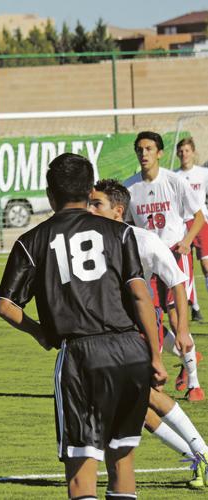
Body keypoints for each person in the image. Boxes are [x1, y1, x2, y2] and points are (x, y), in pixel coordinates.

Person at [0, 152, 166, 500]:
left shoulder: (31, 242)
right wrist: (155, 356)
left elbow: (6, 305)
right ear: (90, 191)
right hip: (130, 351)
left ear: (49, 193)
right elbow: (139, 295)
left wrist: (39, 331)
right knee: (122, 459)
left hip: (81, 356)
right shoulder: (120, 234)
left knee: (81, 468)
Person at [89, 179, 208, 489]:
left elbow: (178, 281)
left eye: (96, 204)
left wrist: (181, 329)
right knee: (133, 408)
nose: (89, 209)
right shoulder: (89, 242)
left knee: (147, 395)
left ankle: (204, 453)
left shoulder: (144, 241)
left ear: (117, 211)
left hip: (139, 327)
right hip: (109, 332)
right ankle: (198, 457)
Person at [124, 131, 205, 402]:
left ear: (159, 153)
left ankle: (194, 382)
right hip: (147, 261)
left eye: (148, 149)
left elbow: (198, 217)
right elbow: (126, 225)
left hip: (172, 254)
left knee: (176, 320)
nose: (143, 154)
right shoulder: (130, 187)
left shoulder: (174, 181)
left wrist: (187, 241)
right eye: (139, 149)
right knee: (150, 320)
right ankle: (183, 361)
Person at [174, 137, 208, 322]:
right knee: (186, 270)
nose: (184, 154)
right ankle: (195, 308)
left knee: (205, 265)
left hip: (201, 222)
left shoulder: (203, 173)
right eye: (181, 151)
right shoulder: (174, 175)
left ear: (193, 152)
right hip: (182, 225)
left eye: (187, 150)